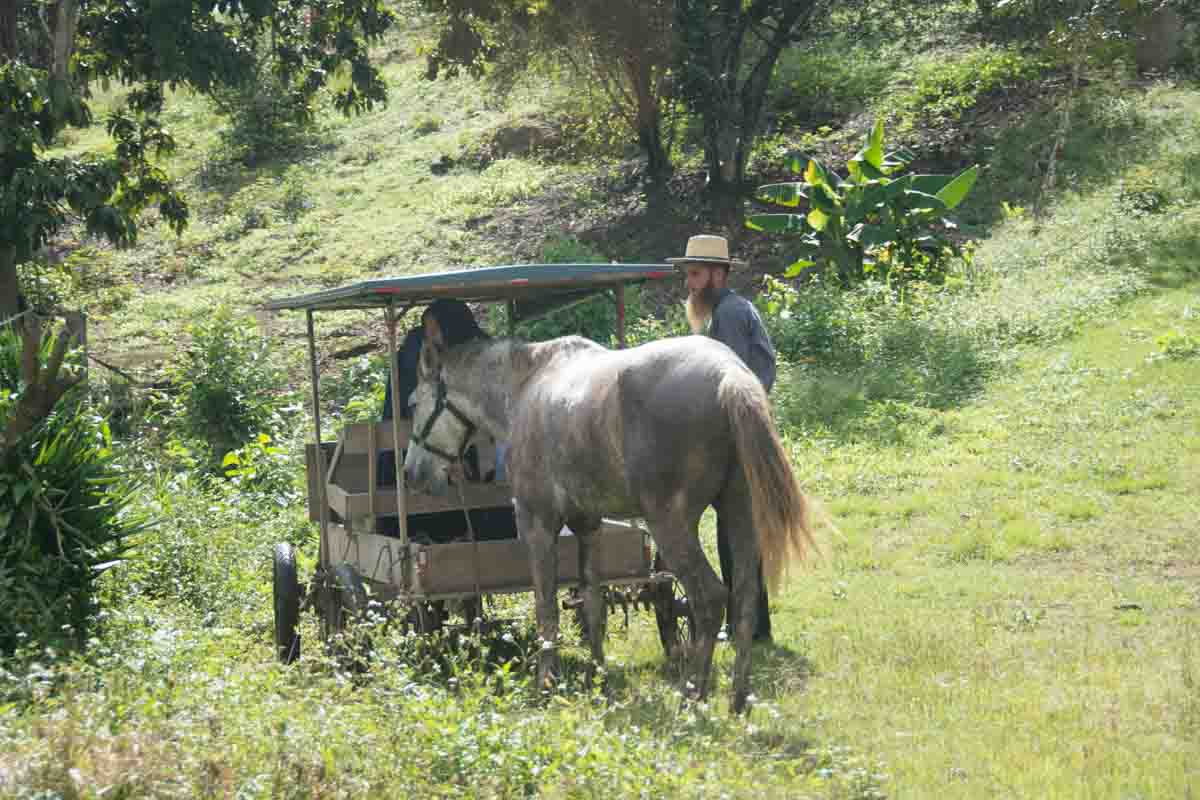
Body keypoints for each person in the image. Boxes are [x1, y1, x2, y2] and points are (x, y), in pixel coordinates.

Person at [669, 234, 777, 642]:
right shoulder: (727, 312)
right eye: (688, 275)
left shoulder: (729, 316)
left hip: (739, 436)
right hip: (741, 432)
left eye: (695, 275)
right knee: (736, 534)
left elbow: (726, 383)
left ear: (717, 274)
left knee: (738, 535)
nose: (689, 284)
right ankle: (748, 624)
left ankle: (749, 625)